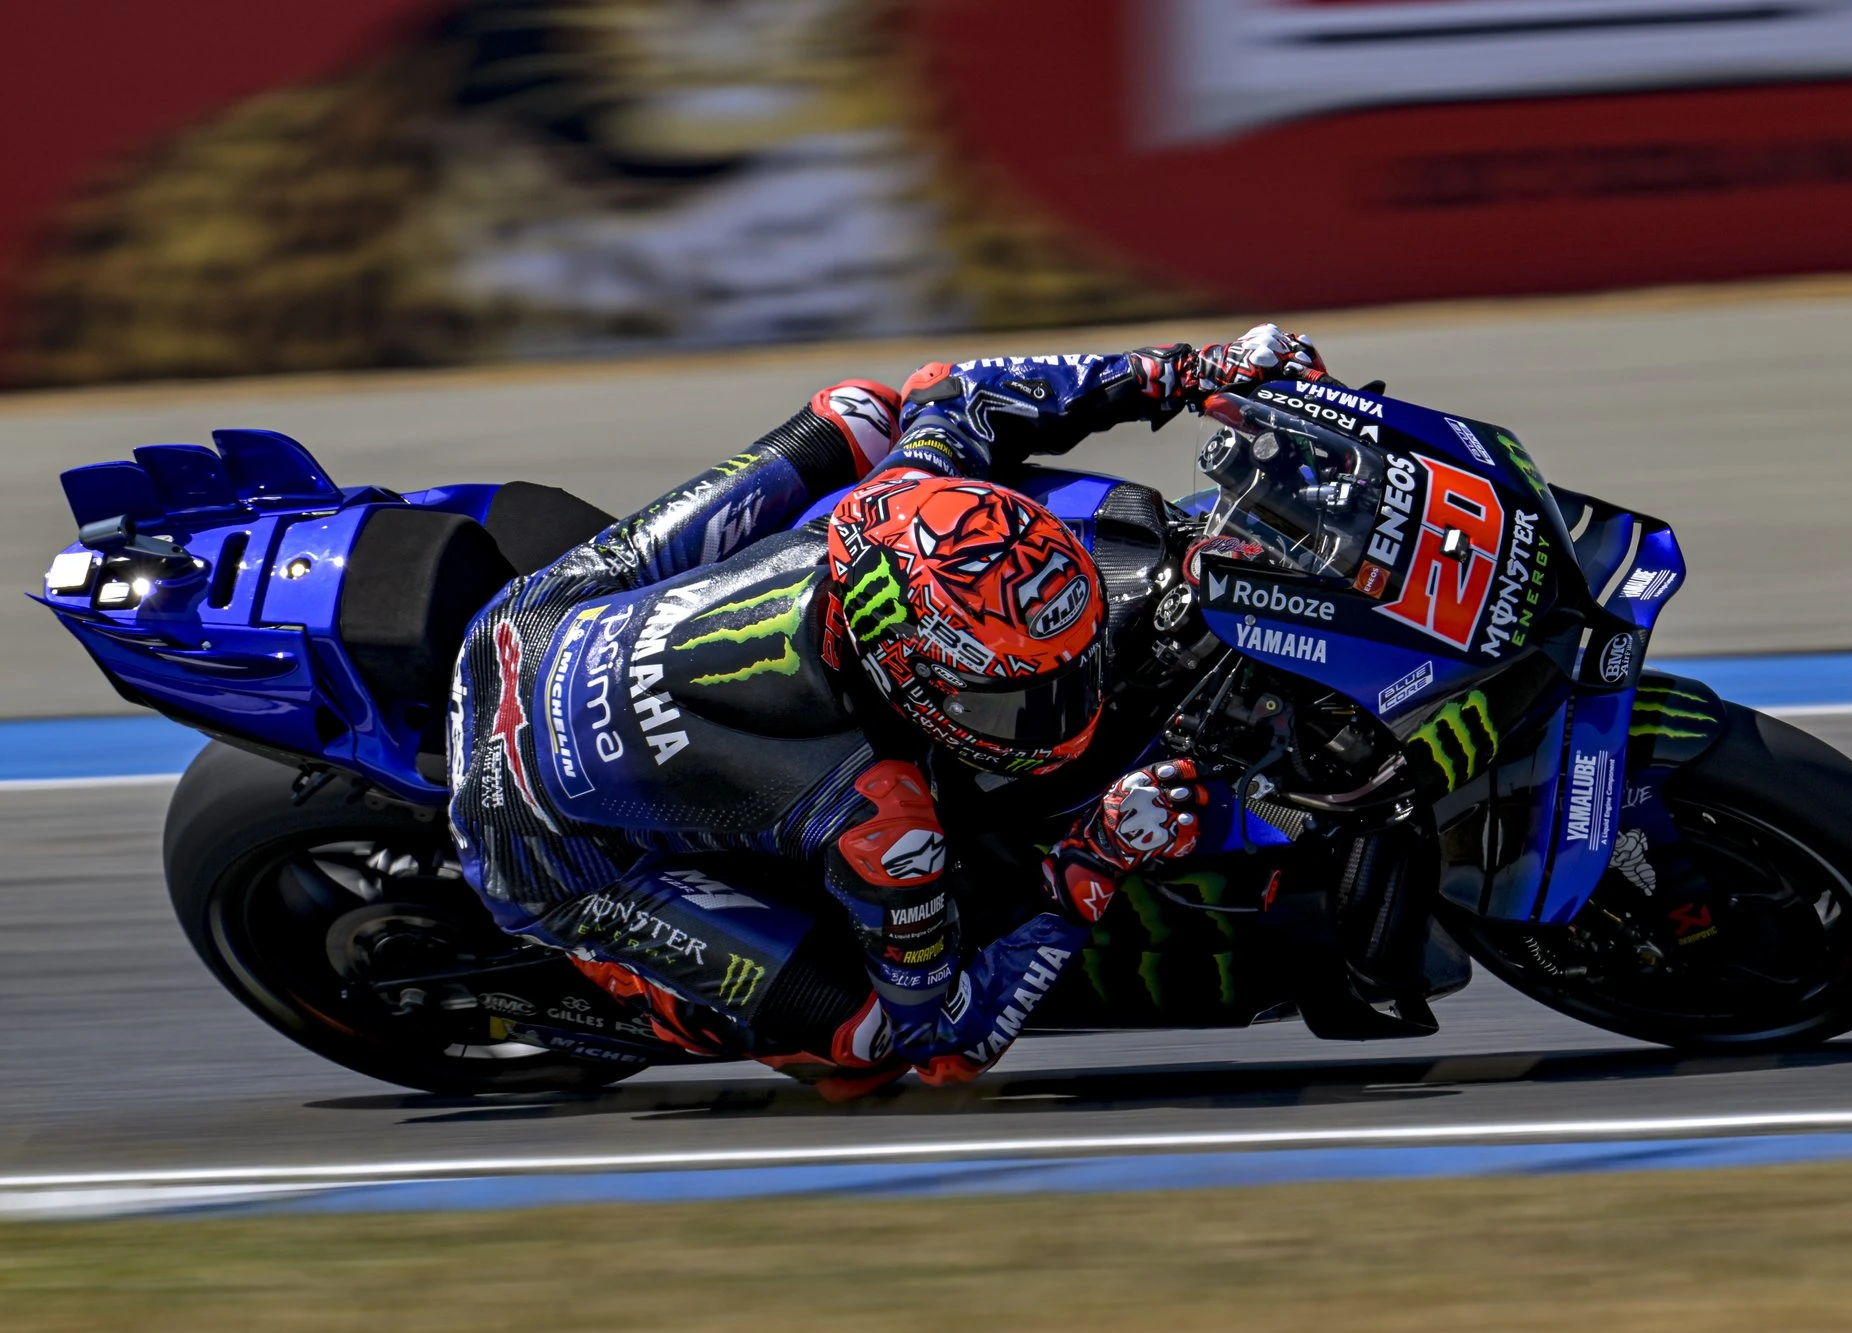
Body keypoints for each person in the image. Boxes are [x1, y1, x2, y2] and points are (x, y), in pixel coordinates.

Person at [448, 324, 1324, 1097]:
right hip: (529, 824)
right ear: (906, 676)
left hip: (533, 618)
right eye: (1019, 700)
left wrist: (1191, 371)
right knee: (866, 1044)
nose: (1066, 711)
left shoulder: (896, 501)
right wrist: (1096, 855)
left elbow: (958, 390)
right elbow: (948, 1041)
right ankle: (648, 994)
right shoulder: (885, 822)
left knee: (862, 413)